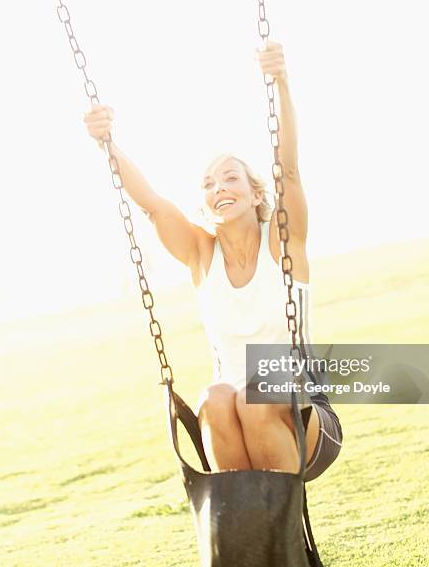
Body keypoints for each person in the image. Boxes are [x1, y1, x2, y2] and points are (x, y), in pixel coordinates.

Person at [84, 41, 342, 481]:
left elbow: (290, 170)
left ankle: (281, 533)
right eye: (208, 183)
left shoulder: (282, 242)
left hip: (305, 418)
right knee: (215, 400)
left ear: (256, 193)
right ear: (204, 203)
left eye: (230, 177)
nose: (219, 186)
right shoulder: (202, 255)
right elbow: (154, 206)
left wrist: (281, 83)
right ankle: (248, 530)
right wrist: (107, 143)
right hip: (236, 415)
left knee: (252, 398)